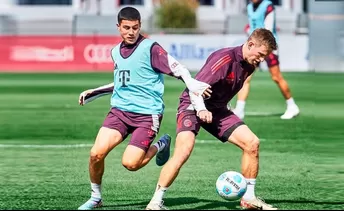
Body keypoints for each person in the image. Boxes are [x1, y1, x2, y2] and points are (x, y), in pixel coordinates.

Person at [77, 7, 211, 210]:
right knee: (96, 154)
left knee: (131, 164)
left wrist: (192, 84)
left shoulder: (151, 48)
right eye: (126, 28)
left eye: (135, 27)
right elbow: (122, 83)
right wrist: (95, 91)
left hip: (146, 116)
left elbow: (178, 68)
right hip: (119, 112)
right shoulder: (115, 51)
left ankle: (161, 145)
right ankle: (96, 198)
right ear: (118, 27)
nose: (131, 32)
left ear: (140, 26)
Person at [146, 28, 278, 210]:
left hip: (217, 110)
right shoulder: (224, 59)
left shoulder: (250, 65)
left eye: (265, 56)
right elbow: (195, 87)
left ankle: (249, 198)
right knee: (184, 150)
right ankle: (155, 202)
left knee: (252, 143)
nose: (262, 60)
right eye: (261, 54)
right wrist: (200, 109)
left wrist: (226, 109)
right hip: (192, 105)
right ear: (250, 44)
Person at [232, 0, 300, 120]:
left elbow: (268, 28)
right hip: (255, 49)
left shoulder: (268, 6)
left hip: (268, 48)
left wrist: (259, 40)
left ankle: (292, 105)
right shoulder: (249, 7)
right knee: (245, 78)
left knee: (276, 77)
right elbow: (250, 26)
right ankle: (240, 109)